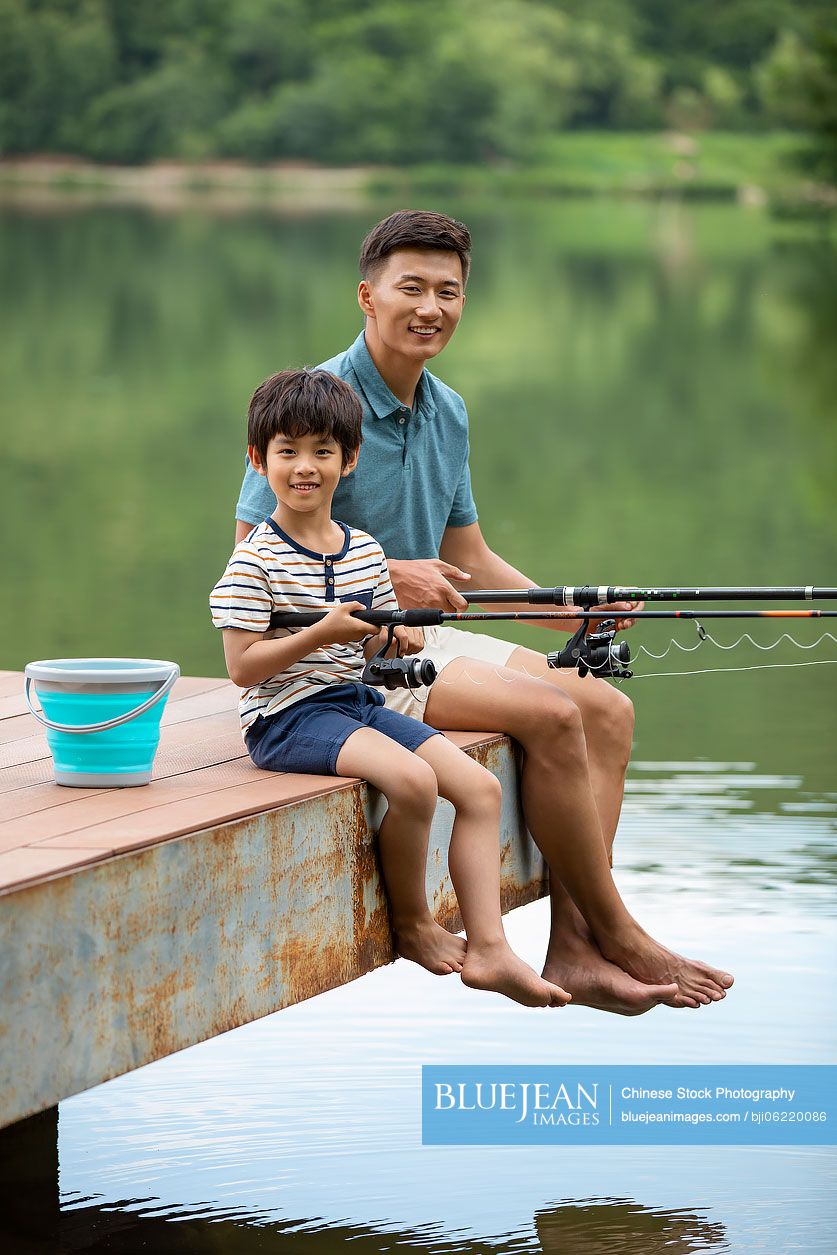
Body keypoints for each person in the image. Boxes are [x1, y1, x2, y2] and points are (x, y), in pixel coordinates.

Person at [233, 212, 734, 1014]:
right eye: (411, 288)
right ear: (367, 295)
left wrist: (572, 607)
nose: (429, 307)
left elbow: (471, 562)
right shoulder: (317, 409)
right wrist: (388, 576)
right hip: (350, 662)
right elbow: (255, 557)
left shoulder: (448, 410)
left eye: (448, 291)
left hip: (426, 637)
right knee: (547, 710)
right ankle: (621, 931)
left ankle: (574, 947)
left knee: (605, 706)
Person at [212, 368, 571, 1008]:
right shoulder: (254, 561)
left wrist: (392, 642)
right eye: (286, 452)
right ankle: (413, 925)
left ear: (349, 461)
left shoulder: (364, 552)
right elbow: (244, 668)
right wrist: (322, 632)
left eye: (322, 452)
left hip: (356, 702)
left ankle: (489, 947)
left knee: (479, 788)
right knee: (413, 783)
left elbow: (374, 644)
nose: (304, 468)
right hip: (287, 718)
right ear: (257, 459)